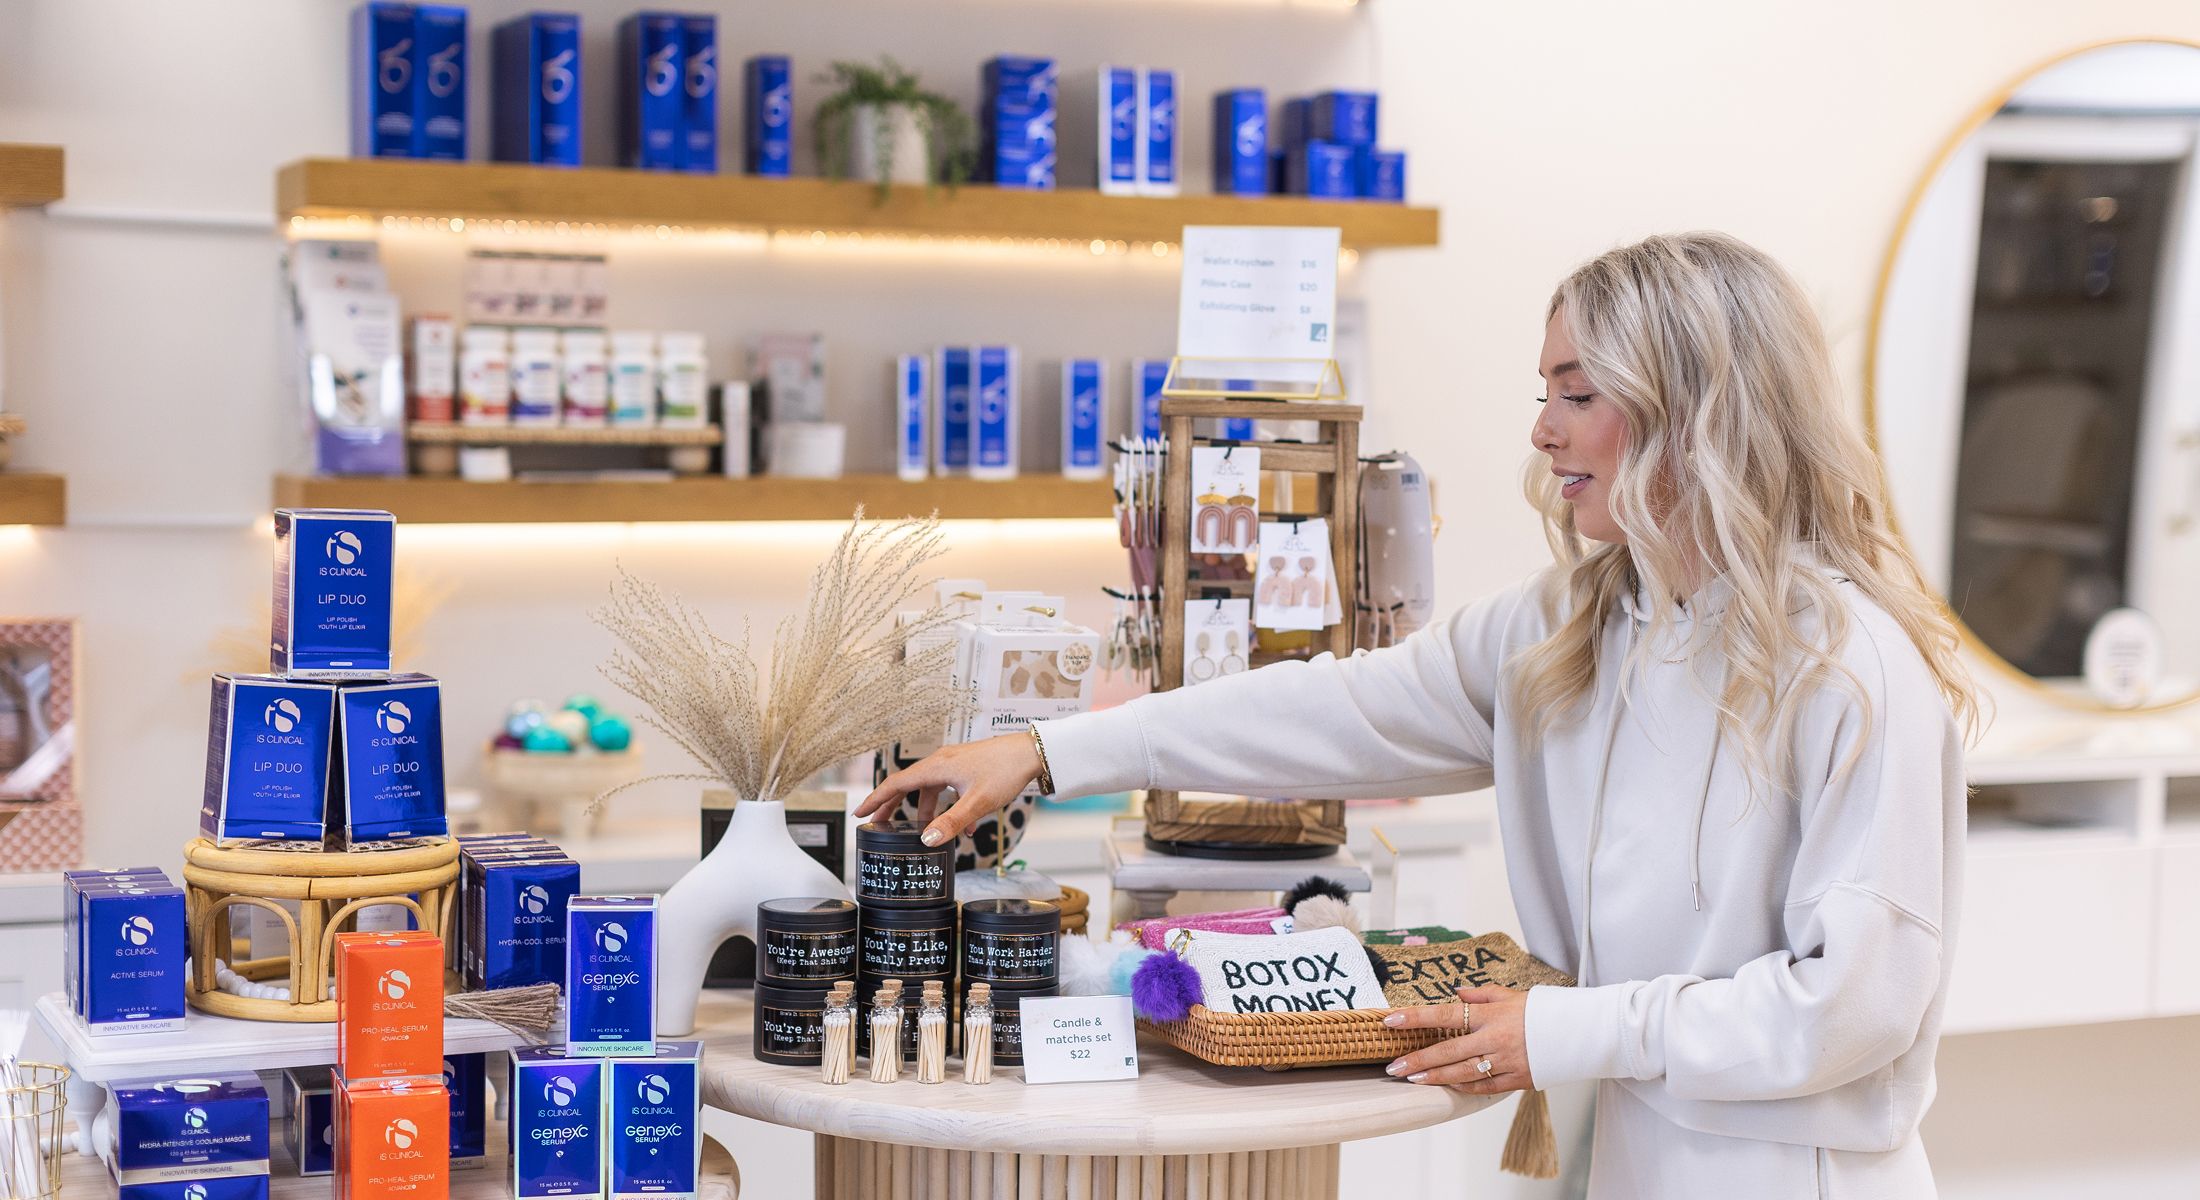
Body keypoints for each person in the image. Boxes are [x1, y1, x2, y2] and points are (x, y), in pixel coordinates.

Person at [857, 232, 1978, 1199]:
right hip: (1637, 1151)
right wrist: (1053, 749)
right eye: (1542, 394)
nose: (1542, 433)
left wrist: (1568, 1030)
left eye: (1577, 394)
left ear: (1700, 413)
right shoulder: (1579, 625)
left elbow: (1851, 1010)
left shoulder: (1853, 672)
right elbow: (1335, 710)